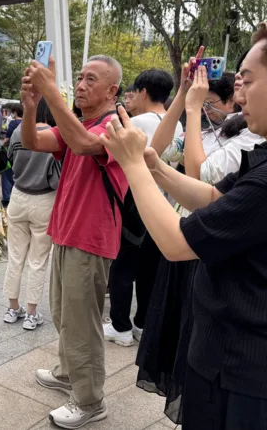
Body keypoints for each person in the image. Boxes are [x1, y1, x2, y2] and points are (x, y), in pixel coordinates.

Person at [100, 20, 267, 430]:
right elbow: (217, 198)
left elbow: (176, 243)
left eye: (246, 81)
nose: (237, 94)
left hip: (246, 368)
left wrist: (133, 166)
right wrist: (157, 169)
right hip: (266, 352)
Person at [135, 53, 265, 424]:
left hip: (203, 245)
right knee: (180, 341)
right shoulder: (225, 128)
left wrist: (194, 111)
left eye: (248, 79)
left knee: (196, 348)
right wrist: (183, 96)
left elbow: (200, 175)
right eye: (239, 77)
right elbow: (156, 152)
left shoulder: (254, 139)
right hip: (186, 234)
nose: (240, 83)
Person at [21, 54, 127, 428]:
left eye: (91, 80)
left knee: (83, 322)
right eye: (79, 78)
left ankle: (90, 400)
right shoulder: (81, 122)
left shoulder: (114, 125)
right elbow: (32, 140)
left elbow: (82, 144)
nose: (81, 85)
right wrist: (32, 106)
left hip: (91, 239)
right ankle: (68, 372)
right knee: (65, 314)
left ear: (112, 90)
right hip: (67, 233)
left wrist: (52, 92)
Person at [103, 68, 184, 349]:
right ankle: (142, 323)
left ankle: (120, 327)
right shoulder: (176, 124)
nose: (131, 97)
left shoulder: (136, 122)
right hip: (164, 202)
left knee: (123, 264)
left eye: (134, 92)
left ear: (144, 92)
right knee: (149, 266)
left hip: (135, 201)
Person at [2, 98, 61, 331]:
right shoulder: (55, 135)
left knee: (15, 256)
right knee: (38, 261)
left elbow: (10, 159)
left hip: (18, 196)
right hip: (44, 199)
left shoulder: (18, 131)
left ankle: (12, 308)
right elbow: (58, 175)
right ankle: (32, 313)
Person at [1, 103, 23, 207]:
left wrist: (2, 144)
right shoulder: (26, 122)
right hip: (22, 153)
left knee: (6, 174)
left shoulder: (14, 123)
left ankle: (7, 197)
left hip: (11, 151)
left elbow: (7, 138)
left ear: (14, 112)